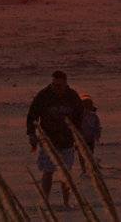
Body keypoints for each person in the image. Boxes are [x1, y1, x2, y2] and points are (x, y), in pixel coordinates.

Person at [26, 70, 84, 207]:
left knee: (66, 173)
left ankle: (66, 203)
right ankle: (44, 202)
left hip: (67, 140)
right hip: (48, 140)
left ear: (65, 83)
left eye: (59, 85)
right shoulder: (43, 95)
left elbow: (79, 117)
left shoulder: (72, 96)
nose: (56, 88)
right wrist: (31, 134)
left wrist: (78, 137)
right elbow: (32, 115)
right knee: (48, 171)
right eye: (54, 85)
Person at [77, 95, 102, 174]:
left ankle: (90, 167)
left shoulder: (94, 116)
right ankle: (84, 169)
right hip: (80, 139)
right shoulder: (78, 116)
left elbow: (97, 126)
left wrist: (97, 135)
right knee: (81, 155)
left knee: (90, 153)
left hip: (90, 138)